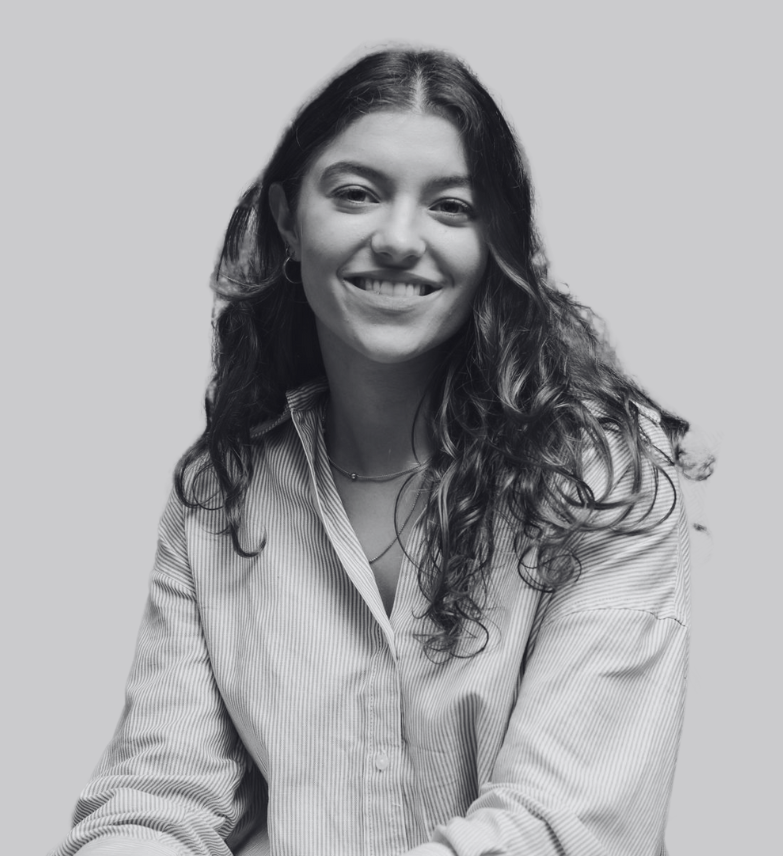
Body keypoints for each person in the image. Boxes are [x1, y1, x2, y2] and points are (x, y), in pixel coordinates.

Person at [51, 47, 707, 856]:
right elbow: (157, 799)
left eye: (451, 208)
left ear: (494, 241)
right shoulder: (220, 495)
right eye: (356, 194)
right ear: (290, 219)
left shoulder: (601, 482)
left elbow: (557, 826)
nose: (399, 240)